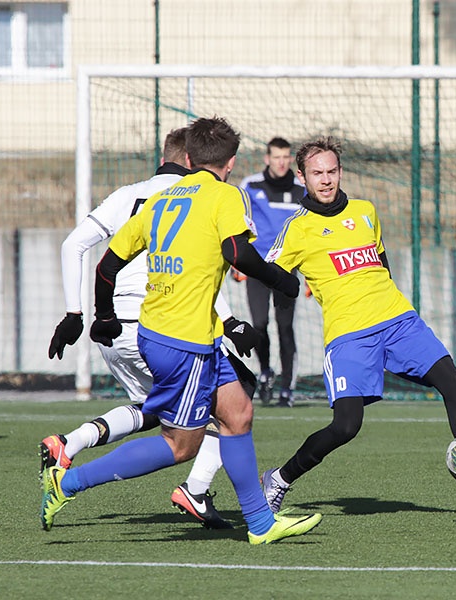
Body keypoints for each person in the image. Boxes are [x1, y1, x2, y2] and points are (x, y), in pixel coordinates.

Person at [40, 116, 322, 544]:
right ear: (230, 163)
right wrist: (280, 280)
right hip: (182, 339)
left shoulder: (165, 197)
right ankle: (68, 484)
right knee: (179, 445)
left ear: (188, 158)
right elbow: (236, 251)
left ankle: (261, 524)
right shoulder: (225, 195)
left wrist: (102, 315)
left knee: (238, 412)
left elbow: (107, 264)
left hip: (181, 333)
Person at [258, 136, 456, 511]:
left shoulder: (366, 211)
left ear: (341, 172)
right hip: (350, 336)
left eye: (332, 171)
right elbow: (272, 274)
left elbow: (381, 264)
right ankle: (279, 479)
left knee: (452, 379)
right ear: (302, 177)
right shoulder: (297, 228)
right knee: (346, 426)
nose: (326, 179)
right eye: (317, 173)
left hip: (399, 321)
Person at [238, 137, 305, 407]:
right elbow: (239, 225)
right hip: (257, 267)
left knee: (286, 327)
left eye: (286, 157)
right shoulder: (250, 186)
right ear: (267, 159)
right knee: (259, 325)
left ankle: (287, 388)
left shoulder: (302, 190)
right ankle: (265, 371)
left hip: (286, 269)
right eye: (276, 157)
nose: (281, 162)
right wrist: (237, 263)